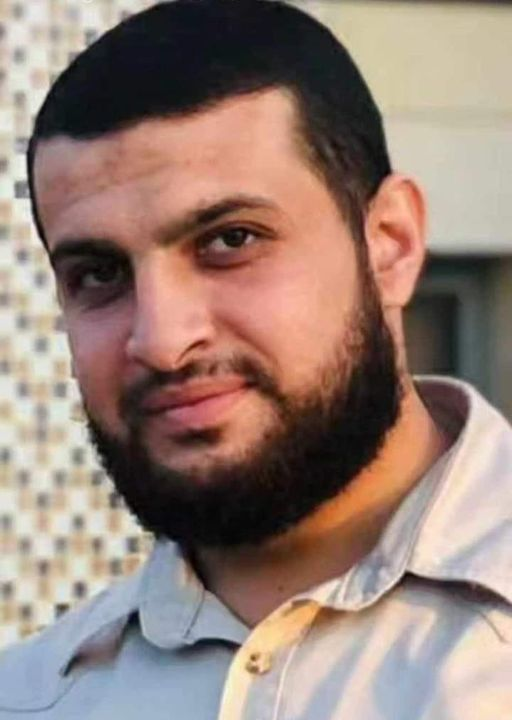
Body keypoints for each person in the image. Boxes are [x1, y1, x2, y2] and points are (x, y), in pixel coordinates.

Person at [0, 0, 510, 716]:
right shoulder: (31, 698)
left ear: (390, 245)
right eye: (99, 274)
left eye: (230, 240)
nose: (162, 341)